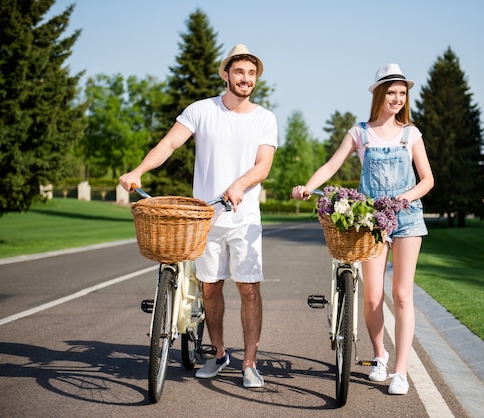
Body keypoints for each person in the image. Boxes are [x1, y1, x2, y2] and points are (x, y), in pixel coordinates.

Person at [120, 44, 278, 388]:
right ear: (226, 74)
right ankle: (220, 353)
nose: (246, 79)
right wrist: (139, 170)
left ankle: (250, 363)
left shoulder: (265, 118)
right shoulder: (201, 110)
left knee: (249, 289)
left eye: (251, 74)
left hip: (245, 218)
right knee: (210, 289)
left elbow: (263, 165)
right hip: (204, 218)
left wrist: (239, 184)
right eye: (239, 72)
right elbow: (169, 145)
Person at [292, 64, 433, 395]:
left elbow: (427, 179)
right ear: (378, 94)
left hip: (408, 217)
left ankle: (401, 371)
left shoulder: (411, 134)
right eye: (391, 92)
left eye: (402, 93)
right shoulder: (360, 132)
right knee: (372, 296)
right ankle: (380, 355)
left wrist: (406, 196)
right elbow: (331, 164)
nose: (397, 98)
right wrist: (306, 186)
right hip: (371, 221)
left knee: (401, 294)